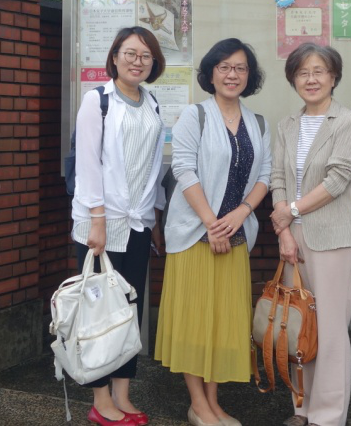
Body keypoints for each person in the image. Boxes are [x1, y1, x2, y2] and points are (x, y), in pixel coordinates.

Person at [155, 39, 272, 426]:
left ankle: (213, 402)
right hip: (195, 235)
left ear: (250, 75)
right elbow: (183, 169)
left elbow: (266, 176)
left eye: (240, 68)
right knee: (195, 321)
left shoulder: (258, 123)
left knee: (223, 323)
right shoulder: (195, 116)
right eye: (224, 67)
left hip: (236, 235)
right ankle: (197, 405)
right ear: (210, 73)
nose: (232, 74)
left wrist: (241, 213)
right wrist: (211, 222)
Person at [72, 26, 168, 426]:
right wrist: (97, 218)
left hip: (138, 223)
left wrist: (155, 217)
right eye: (130, 53)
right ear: (114, 57)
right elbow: (87, 164)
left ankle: (122, 395)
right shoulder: (97, 101)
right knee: (100, 314)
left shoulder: (152, 103)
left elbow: (154, 167)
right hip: (101, 224)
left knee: (128, 311)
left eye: (145, 56)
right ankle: (100, 400)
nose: (137, 61)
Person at [269, 43, 351, 426]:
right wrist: (284, 230)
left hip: (332, 240)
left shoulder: (348, 123)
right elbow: (278, 177)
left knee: (330, 331)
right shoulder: (286, 125)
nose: (311, 79)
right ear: (293, 79)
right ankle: (301, 408)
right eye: (303, 72)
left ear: (333, 77)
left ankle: (327, 416)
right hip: (293, 238)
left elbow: (339, 179)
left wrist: (290, 211)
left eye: (319, 71)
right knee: (298, 326)